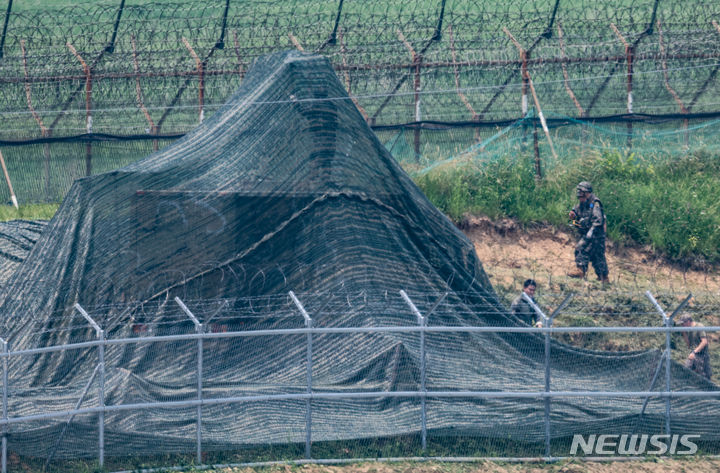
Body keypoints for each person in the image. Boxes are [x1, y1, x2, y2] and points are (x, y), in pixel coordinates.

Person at [567, 181, 609, 283]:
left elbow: (598, 221)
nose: (580, 195)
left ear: (586, 192)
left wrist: (590, 232)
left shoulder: (595, 204)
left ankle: (603, 278)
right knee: (590, 253)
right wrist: (573, 216)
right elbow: (576, 215)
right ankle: (581, 270)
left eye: (581, 192)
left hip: (596, 234)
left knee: (596, 256)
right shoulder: (582, 204)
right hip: (588, 234)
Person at [678, 313, 712, 381]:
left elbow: (704, 342)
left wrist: (694, 352)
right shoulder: (689, 329)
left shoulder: (699, 326)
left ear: (688, 322)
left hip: (702, 355)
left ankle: (708, 390)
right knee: (686, 369)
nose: (682, 325)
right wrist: (684, 333)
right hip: (694, 355)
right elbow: (689, 345)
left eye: (683, 324)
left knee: (704, 377)